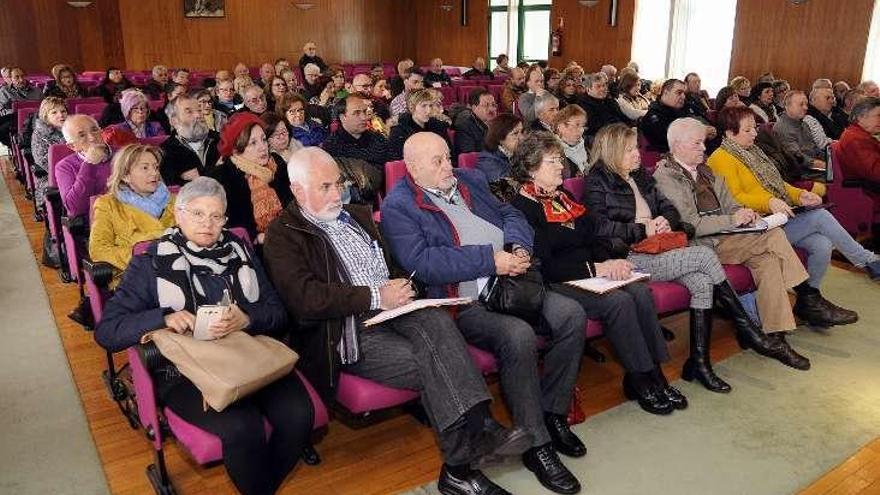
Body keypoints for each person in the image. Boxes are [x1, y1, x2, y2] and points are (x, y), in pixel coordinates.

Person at [263, 147, 531, 495]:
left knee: (438, 321)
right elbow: (305, 300)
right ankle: (463, 462)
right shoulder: (283, 235)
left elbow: (398, 266)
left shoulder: (357, 215)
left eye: (339, 184)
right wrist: (376, 295)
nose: (336, 194)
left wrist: (408, 283)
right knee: (432, 363)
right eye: (325, 187)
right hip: (346, 330)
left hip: (396, 310)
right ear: (298, 191)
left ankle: (472, 446)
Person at [381, 132, 585, 495]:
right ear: (411, 168)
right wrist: (491, 260)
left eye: (448, 156)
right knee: (517, 336)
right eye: (438, 161)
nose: (449, 166)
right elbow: (423, 263)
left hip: (514, 282)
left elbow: (511, 212)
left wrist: (517, 246)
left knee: (571, 314)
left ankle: (552, 414)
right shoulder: (400, 206)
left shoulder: (470, 179)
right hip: (465, 300)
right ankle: (537, 445)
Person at [95, 176, 312, 495]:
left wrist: (247, 318)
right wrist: (164, 318)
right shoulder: (152, 262)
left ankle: (263, 485)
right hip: (186, 370)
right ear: (178, 214)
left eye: (216, 216)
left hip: (250, 355)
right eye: (197, 214)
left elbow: (277, 312)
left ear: (226, 219)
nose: (207, 224)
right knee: (243, 428)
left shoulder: (240, 251)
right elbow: (107, 332)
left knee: (299, 415)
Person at [585, 123, 810, 379]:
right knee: (705, 256)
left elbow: (669, 209)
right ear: (613, 151)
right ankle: (749, 329)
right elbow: (600, 227)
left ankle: (699, 364)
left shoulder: (639, 176)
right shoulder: (597, 180)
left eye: (636, 147)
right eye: (629, 149)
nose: (638, 153)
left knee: (703, 281)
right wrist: (643, 229)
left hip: (660, 247)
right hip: (630, 255)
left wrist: (664, 221)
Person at [509, 131, 686, 410]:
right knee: (619, 302)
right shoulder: (523, 207)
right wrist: (596, 267)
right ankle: (640, 378)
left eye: (560, 160)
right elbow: (545, 263)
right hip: (558, 280)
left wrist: (613, 263)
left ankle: (656, 373)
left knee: (639, 290)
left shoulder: (562, 196)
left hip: (591, 271)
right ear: (531, 168)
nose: (561, 166)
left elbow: (592, 237)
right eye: (552, 162)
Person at [708, 107, 878, 319]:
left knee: (821, 244)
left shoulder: (753, 153)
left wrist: (801, 195)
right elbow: (734, 199)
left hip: (774, 218)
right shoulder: (721, 158)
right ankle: (867, 261)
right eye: (748, 130)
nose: (755, 133)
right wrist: (769, 201)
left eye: (755, 128)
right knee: (819, 217)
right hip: (752, 229)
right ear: (729, 133)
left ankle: (809, 300)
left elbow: (779, 185)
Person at [89, 144, 175, 286]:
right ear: (125, 175)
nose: (154, 173)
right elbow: (98, 249)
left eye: (156, 167)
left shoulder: (175, 200)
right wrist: (140, 254)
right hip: (135, 279)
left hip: (177, 273)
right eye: (145, 168)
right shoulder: (108, 204)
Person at [210, 113, 292, 243]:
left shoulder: (277, 163)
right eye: (253, 143)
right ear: (237, 149)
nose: (263, 147)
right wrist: (257, 237)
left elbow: (292, 204)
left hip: (288, 234)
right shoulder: (223, 176)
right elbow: (229, 225)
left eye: (264, 139)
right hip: (253, 246)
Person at [57, 114, 114, 218]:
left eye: (94, 130)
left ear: (101, 132)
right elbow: (75, 209)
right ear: (72, 146)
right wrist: (89, 163)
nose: (92, 138)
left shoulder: (124, 154)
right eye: (82, 135)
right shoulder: (65, 167)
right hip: (99, 222)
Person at [322, 95, 389, 181]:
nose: (364, 118)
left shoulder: (378, 138)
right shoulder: (331, 146)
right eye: (356, 113)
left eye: (364, 112)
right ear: (342, 117)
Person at [160, 93, 221, 186]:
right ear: (174, 121)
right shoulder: (165, 151)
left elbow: (231, 174)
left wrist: (200, 173)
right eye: (189, 112)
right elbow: (173, 185)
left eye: (199, 110)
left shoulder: (221, 140)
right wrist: (216, 170)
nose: (198, 115)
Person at [641, 79, 713, 153]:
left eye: (684, 93)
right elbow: (671, 139)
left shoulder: (683, 109)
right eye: (679, 93)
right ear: (666, 93)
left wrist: (711, 130)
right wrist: (700, 133)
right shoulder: (653, 117)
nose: (683, 97)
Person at [773, 90, 827, 174]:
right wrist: (827, 166)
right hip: (803, 173)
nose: (806, 108)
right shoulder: (783, 128)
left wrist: (831, 160)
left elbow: (815, 150)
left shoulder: (804, 124)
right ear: (787, 106)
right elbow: (798, 158)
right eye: (801, 104)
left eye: (806, 104)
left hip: (815, 167)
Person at [388, 89, 450, 160]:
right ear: (412, 108)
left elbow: (448, 153)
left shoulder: (438, 126)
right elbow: (398, 161)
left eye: (430, 106)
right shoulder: (399, 132)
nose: (428, 111)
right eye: (423, 106)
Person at [31, 97, 68, 209]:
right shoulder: (39, 135)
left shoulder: (73, 128)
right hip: (50, 177)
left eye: (63, 111)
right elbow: (44, 162)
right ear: (45, 116)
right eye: (54, 112)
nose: (61, 115)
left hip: (76, 170)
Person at [837, 96, 880, 186]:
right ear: (861, 117)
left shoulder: (858, 134)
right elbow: (876, 172)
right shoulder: (856, 139)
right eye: (878, 116)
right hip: (868, 193)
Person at [578, 72, 634, 138]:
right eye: (598, 86)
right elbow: (597, 127)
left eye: (604, 85)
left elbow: (622, 116)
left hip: (621, 132)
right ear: (588, 90)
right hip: (603, 137)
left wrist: (632, 126)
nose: (602, 89)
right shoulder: (583, 105)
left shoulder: (610, 101)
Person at [476, 113, 524, 183]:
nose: (522, 138)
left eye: (522, 132)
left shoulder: (517, 154)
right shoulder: (488, 161)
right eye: (515, 133)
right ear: (500, 137)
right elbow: (506, 188)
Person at [453, 88, 498, 156]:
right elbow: (470, 158)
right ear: (474, 108)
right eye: (486, 105)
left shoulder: (499, 125)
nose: (491, 109)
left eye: (493, 105)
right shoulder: (464, 128)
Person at [551, 104, 589, 177]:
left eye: (583, 126)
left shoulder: (588, 145)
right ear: (561, 126)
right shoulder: (553, 151)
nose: (582, 130)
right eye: (577, 125)